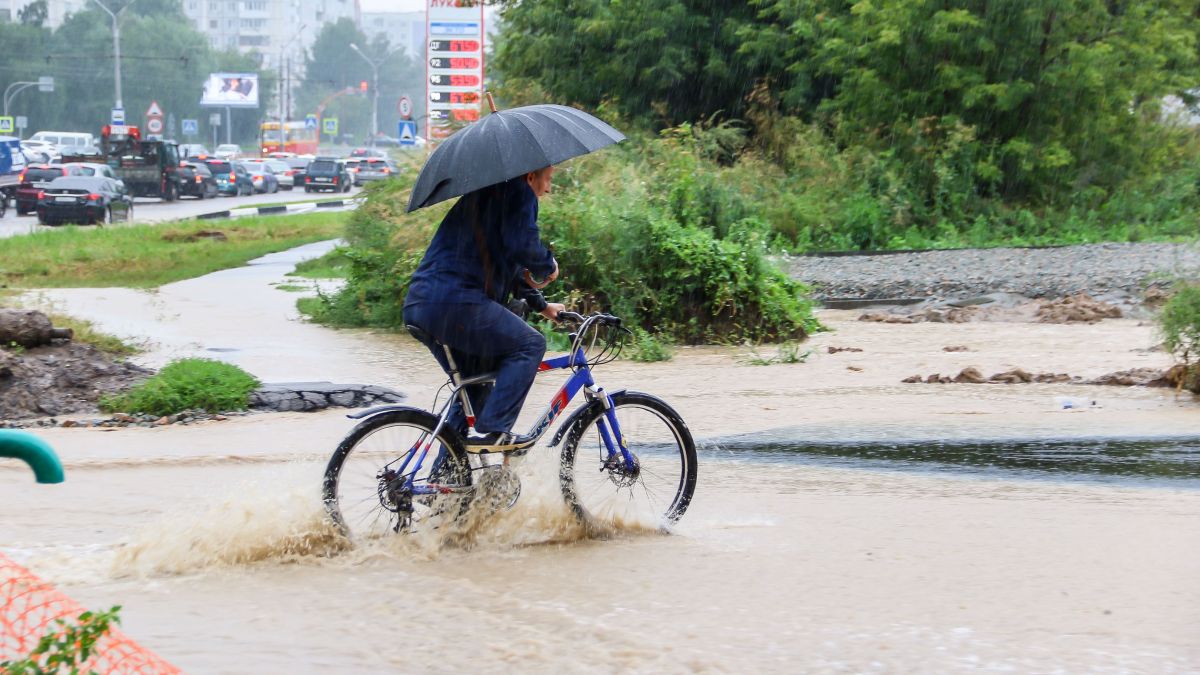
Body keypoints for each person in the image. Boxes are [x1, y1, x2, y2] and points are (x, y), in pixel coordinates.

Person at [403, 166, 564, 450]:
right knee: (530, 345)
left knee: (473, 389)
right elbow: (524, 246)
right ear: (530, 176)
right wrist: (548, 265)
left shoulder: (488, 196)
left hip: (423, 303)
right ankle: (495, 431)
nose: (548, 188)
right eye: (548, 178)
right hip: (455, 302)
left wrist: (542, 307)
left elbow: (511, 263)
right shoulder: (519, 193)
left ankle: (448, 482)